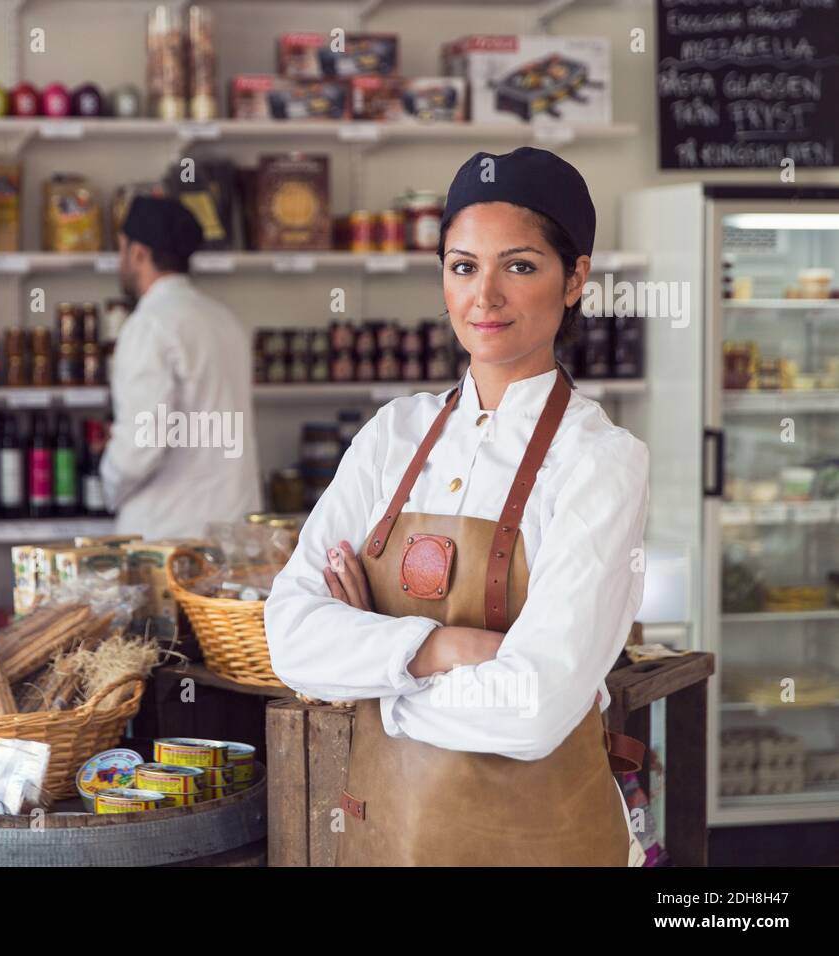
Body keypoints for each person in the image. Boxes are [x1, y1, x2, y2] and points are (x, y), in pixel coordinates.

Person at [265, 147, 650, 866]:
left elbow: (534, 708)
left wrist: (375, 672)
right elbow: (290, 638)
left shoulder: (599, 460)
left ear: (575, 279)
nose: (485, 297)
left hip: (542, 842)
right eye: (463, 266)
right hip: (387, 833)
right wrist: (438, 648)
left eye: (522, 266)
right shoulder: (393, 433)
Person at [101, 195, 261, 539]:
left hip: (169, 537)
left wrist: (109, 486)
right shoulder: (225, 320)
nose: (120, 262)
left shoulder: (149, 326)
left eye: (122, 250)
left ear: (139, 254)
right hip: (234, 531)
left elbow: (141, 443)